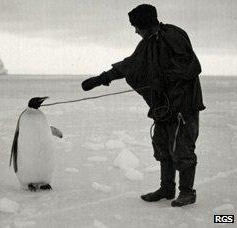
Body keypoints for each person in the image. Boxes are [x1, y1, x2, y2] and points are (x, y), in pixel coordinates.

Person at [81, 4, 205, 207]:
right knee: (163, 147)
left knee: (182, 149)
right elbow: (131, 64)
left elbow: (192, 66)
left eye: (137, 26)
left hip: (183, 104)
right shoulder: (147, 43)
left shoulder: (173, 35)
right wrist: (101, 78)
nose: (135, 30)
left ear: (146, 24)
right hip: (163, 106)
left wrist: (164, 79)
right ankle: (167, 189)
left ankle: (187, 192)